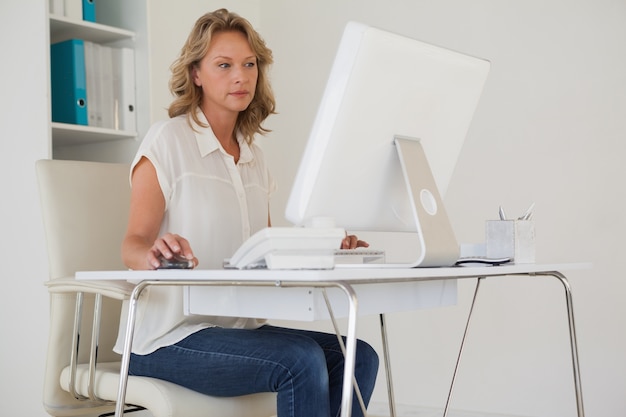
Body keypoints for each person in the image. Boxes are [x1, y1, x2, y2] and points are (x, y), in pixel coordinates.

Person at [116, 8, 379, 417]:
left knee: (358, 356)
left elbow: (267, 256)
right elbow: (132, 244)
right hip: (166, 339)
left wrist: (329, 247)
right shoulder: (166, 141)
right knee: (301, 360)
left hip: (238, 331)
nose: (240, 76)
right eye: (224, 65)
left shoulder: (254, 158)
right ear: (197, 73)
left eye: (249, 64)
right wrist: (153, 253)